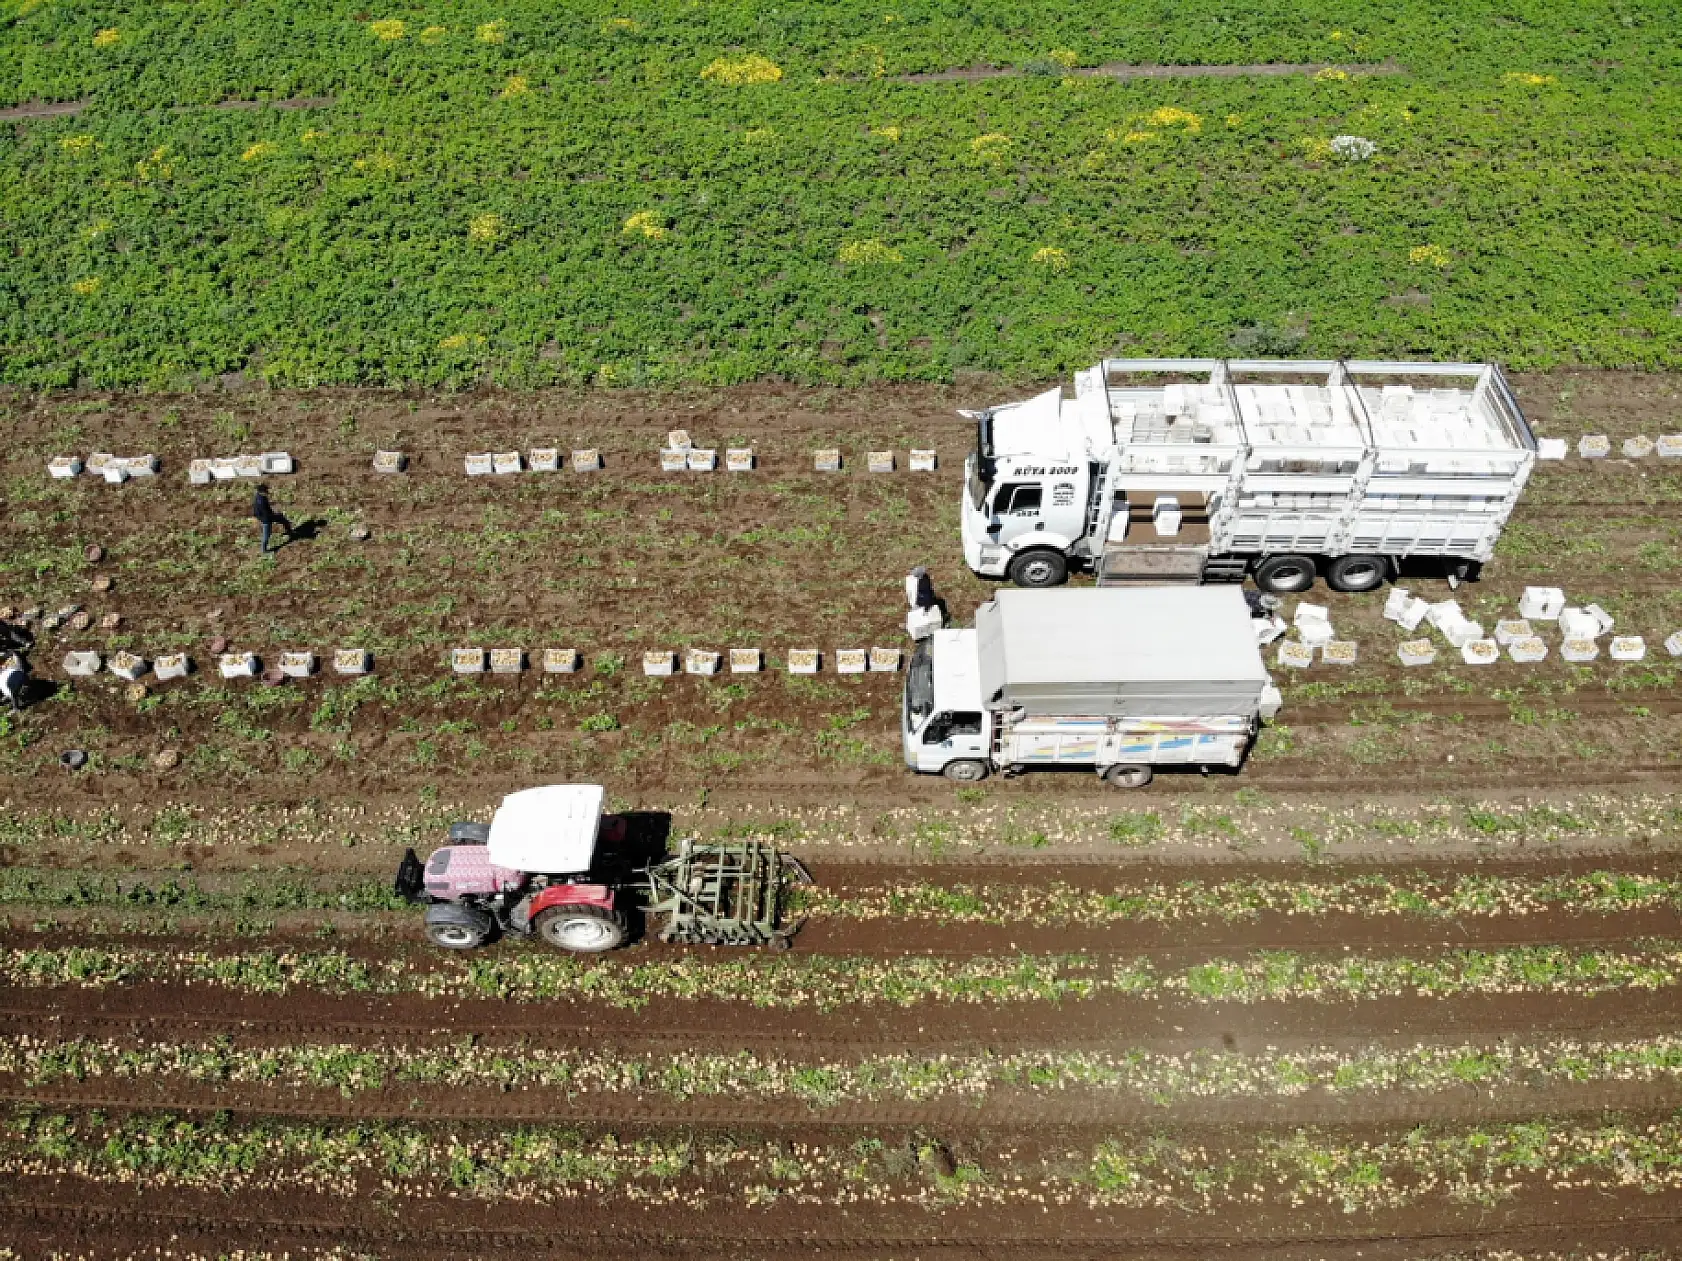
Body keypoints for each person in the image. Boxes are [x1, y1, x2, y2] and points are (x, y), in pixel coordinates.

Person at [252, 484, 294, 555]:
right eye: (266, 491)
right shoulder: (260, 501)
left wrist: (275, 513)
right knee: (266, 535)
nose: (267, 492)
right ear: (261, 492)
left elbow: (267, 508)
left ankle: (289, 532)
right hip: (266, 519)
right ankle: (264, 551)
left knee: (283, 520)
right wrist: (274, 515)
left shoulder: (260, 496)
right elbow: (266, 514)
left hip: (268, 515)